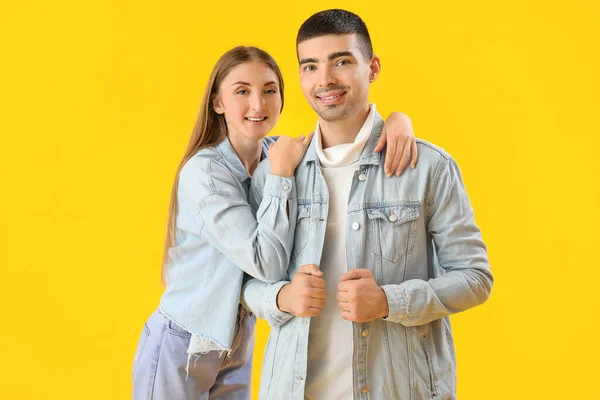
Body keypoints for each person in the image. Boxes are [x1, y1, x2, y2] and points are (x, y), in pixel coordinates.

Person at [132, 45, 418, 399]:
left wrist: (396, 121)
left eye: (269, 90)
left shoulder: (276, 153)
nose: (259, 104)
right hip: (184, 341)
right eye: (242, 91)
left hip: (236, 338)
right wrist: (282, 174)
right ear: (218, 103)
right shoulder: (204, 173)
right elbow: (265, 264)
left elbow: (339, 140)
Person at [242, 9, 494, 400]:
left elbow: (475, 279)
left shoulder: (427, 167)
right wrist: (281, 297)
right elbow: (247, 280)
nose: (324, 79)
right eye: (310, 66)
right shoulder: (276, 172)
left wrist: (388, 301)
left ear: (372, 67)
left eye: (341, 61)